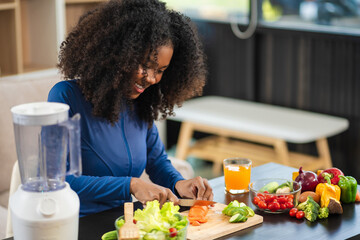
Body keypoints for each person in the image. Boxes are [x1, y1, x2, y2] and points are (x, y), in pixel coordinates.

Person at [48, 0, 213, 216]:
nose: (152, 79)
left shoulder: (140, 103)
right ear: (116, 53)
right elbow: (58, 179)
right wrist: (131, 185)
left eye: (161, 70)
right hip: (78, 224)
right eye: (145, 66)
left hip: (127, 222)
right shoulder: (65, 96)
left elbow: (157, 162)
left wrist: (179, 184)